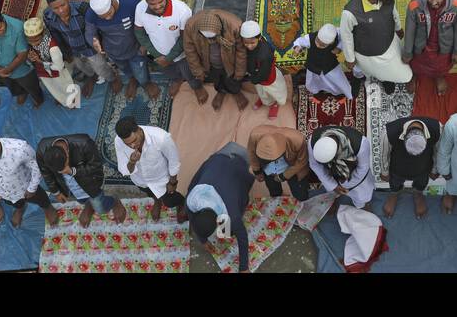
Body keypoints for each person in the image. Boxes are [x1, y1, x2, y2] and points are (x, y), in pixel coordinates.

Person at [186, 142, 256, 272]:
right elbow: (190, 213)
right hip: (220, 156)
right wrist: (203, 241)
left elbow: (242, 237)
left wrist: (243, 268)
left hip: (240, 158)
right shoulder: (192, 199)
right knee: (226, 231)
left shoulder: (231, 214)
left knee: (231, 229)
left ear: (219, 220)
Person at [0, 128, 59, 227]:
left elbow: (37, 167)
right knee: (14, 203)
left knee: (39, 198)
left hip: (25, 187)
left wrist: (32, 188)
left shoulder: (20, 149)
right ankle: (19, 209)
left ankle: (48, 208)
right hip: (2, 192)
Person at [37, 134, 125, 227]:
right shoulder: (42, 150)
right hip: (69, 186)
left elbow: (96, 166)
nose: (63, 172)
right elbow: (46, 173)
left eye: (63, 169)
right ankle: (88, 205)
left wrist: (73, 171)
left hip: (89, 181)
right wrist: (56, 192)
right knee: (81, 199)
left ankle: (114, 201)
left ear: (67, 155)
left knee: (101, 209)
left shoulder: (84, 143)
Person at [114, 115, 185, 220]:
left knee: (170, 201)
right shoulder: (119, 141)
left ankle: (182, 204)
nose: (133, 146)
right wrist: (132, 162)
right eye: (128, 144)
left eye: (134, 140)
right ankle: (157, 201)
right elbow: (126, 169)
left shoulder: (161, 138)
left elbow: (173, 161)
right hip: (141, 181)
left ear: (138, 130)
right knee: (149, 192)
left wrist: (172, 182)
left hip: (161, 180)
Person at [309, 125, 375, 209]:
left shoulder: (361, 144)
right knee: (331, 189)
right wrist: (333, 186)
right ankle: (333, 201)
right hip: (331, 175)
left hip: (356, 175)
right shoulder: (313, 141)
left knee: (361, 195)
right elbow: (315, 165)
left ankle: (362, 205)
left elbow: (363, 168)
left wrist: (346, 185)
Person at [246, 124, 311, 200]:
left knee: (301, 195)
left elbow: (302, 161)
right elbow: (252, 153)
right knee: (275, 194)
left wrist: (284, 175)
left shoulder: (297, 140)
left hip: (294, 169)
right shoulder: (254, 136)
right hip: (268, 170)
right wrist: (257, 171)